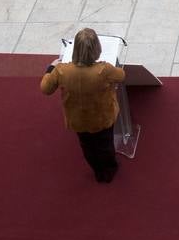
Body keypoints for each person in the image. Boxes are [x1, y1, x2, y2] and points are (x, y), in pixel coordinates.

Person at [39, 28, 127, 184]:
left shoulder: (62, 71)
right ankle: (109, 171)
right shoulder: (104, 70)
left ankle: (97, 171)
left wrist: (50, 68)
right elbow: (121, 75)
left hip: (77, 119)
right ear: (97, 49)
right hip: (102, 117)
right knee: (105, 144)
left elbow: (46, 89)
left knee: (87, 146)